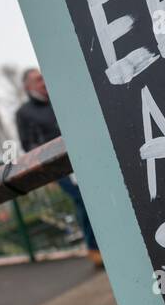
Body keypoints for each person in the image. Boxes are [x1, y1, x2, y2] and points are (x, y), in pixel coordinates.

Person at [14, 68, 102, 267]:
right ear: (28, 86)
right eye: (38, 80)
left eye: (43, 77)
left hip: (82, 157)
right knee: (83, 200)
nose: (43, 82)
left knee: (94, 198)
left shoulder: (59, 99)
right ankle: (94, 248)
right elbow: (28, 144)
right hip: (60, 167)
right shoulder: (24, 113)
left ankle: (102, 243)